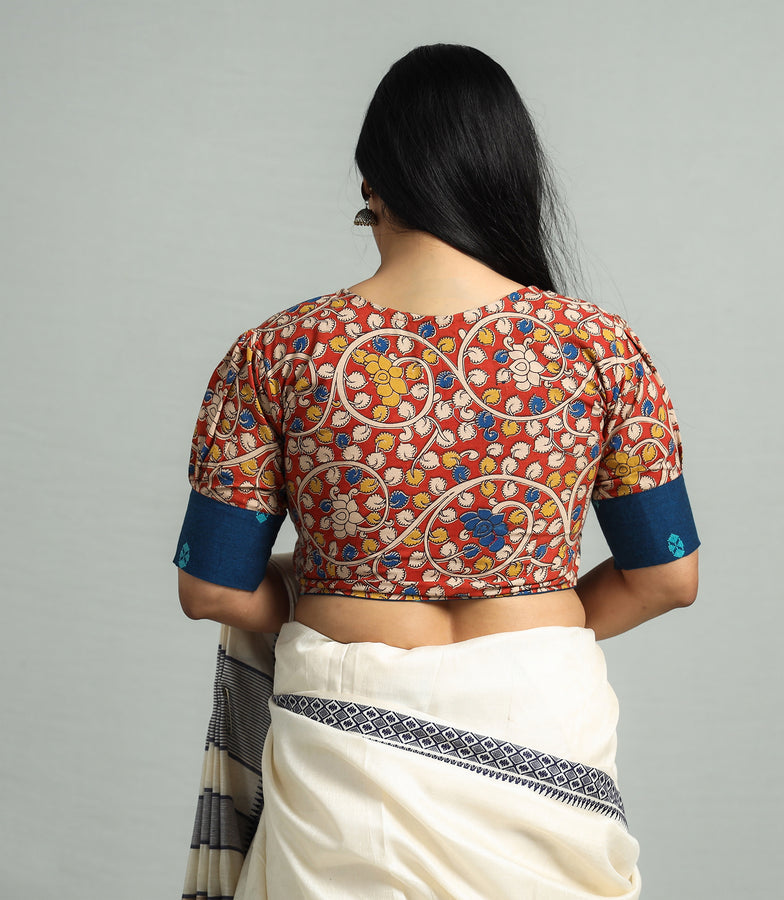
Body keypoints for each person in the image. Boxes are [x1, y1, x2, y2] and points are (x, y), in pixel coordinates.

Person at [175, 43, 699, 899]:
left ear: (371, 183)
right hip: (542, 720)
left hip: (343, 748)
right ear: (509, 177)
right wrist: (529, 628)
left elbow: (213, 589)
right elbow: (668, 577)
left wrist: (325, 605)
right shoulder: (599, 347)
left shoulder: (278, 352)